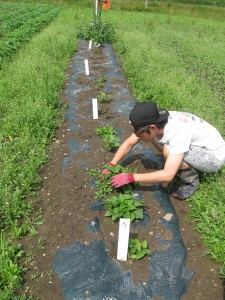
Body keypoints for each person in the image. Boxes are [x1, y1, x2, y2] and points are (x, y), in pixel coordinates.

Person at [103, 102, 225, 200]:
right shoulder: (157, 121)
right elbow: (130, 142)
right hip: (200, 145)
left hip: (213, 157)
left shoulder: (177, 132)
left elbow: (167, 175)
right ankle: (178, 163)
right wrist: (112, 164)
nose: (137, 136)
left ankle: (191, 180)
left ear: (152, 127)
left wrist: (130, 177)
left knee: (168, 150)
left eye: (138, 133)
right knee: (158, 141)